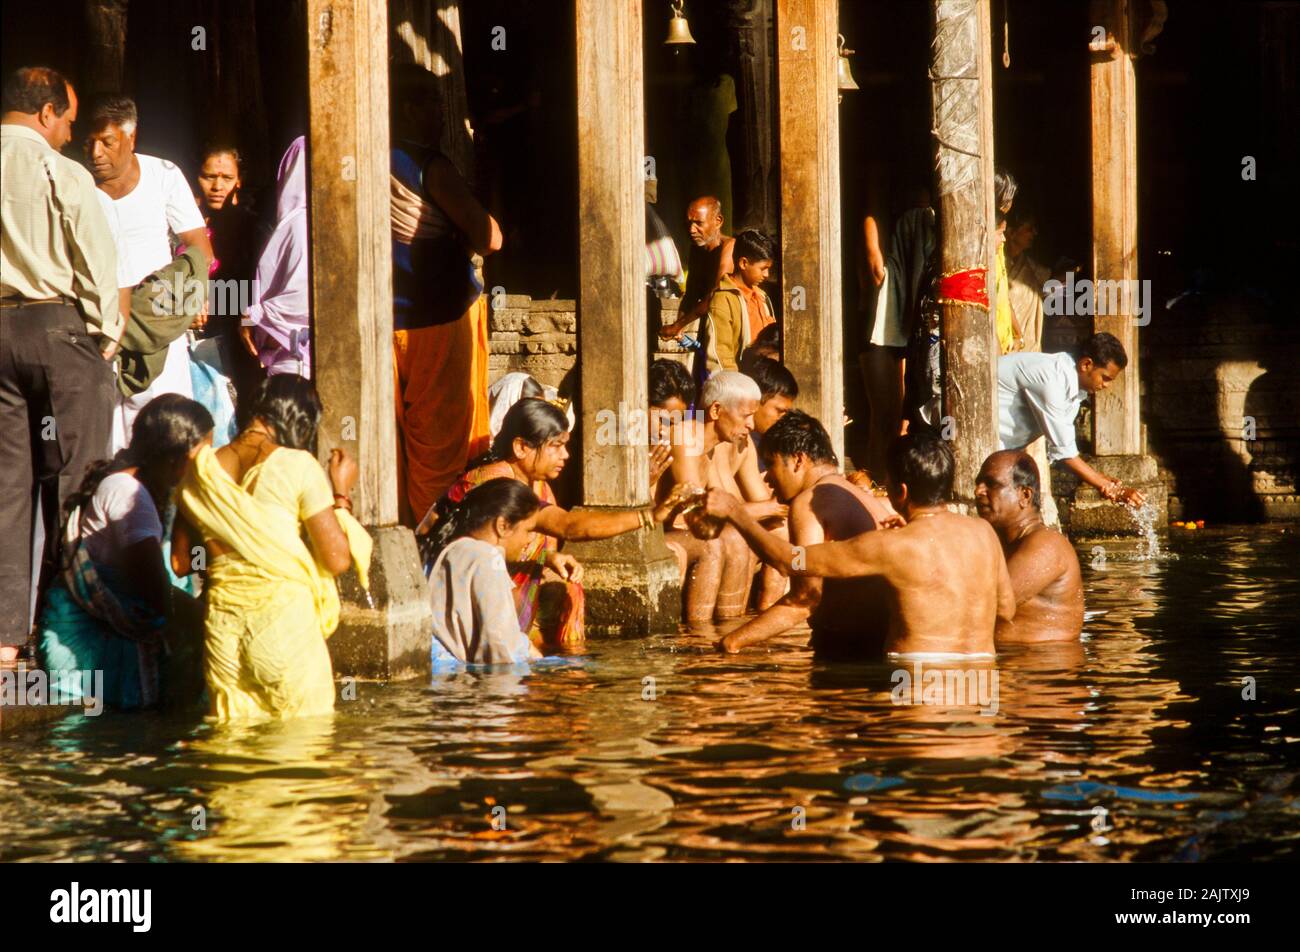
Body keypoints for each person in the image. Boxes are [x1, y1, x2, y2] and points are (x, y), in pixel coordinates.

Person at [1, 67, 123, 664]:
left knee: (7, 488)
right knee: (80, 480)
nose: (71, 134)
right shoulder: (59, 170)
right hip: (56, 327)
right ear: (46, 112)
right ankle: (67, 629)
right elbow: (97, 264)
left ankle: (3, 642)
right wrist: (104, 335)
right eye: (69, 121)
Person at [703, 429, 1015, 658]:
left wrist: (736, 512)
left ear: (900, 492)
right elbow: (1006, 609)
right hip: (982, 682)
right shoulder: (984, 533)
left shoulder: (889, 546)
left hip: (915, 689)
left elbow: (790, 561)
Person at [173, 375, 372, 722]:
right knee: (307, 740)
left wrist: (231, 552)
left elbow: (180, 561)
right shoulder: (298, 465)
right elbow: (337, 559)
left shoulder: (199, 473)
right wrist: (341, 496)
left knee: (232, 749)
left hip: (223, 631)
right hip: (283, 625)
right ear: (300, 420)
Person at [419, 399, 685, 647]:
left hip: (483, 586)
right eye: (556, 446)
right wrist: (647, 516)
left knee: (568, 591)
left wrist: (548, 557)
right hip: (450, 597)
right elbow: (567, 526)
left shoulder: (535, 482)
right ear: (521, 447)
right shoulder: (495, 482)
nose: (566, 455)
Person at [39, 395, 213, 708]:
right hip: (85, 648)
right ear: (177, 458)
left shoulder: (145, 485)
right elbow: (156, 592)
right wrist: (214, 621)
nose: (209, 466)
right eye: (204, 455)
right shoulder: (129, 495)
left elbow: (181, 566)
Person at [390, 63, 501, 526]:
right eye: (434, 104)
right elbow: (489, 238)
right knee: (441, 444)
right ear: (410, 109)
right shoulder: (429, 166)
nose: (442, 116)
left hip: (386, 318)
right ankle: (438, 538)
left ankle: (398, 531)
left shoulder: (362, 157)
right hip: (437, 319)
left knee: (394, 438)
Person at [85, 95, 213, 451]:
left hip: (158, 321)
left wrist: (183, 296)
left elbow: (200, 248)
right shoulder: (76, 185)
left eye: (107, 142)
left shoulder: (163, 175)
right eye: (89, 142)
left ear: (131, 138)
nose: (96, 152)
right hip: (100, 325)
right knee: (109, 439)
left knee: (167, 434)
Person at [716, 411, 902, 657]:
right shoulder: (852, 492)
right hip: (878, 643)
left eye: (771, 463)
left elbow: (805, 598)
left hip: (849, 651)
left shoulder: (810, 501)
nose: (768, 478)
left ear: (798, 460)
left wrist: (731, 643)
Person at [998, 332, 1146, 508]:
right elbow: (1064, 452)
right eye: (1105, 378)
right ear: (1086, 364)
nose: (1106, 386)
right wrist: (1108, 487)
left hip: (1000, 448)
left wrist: (1099, 478)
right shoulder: (1050, 377)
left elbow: (1063, 448)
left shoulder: (1073, 388)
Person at [424, 478, 547, 666]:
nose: (531, 539)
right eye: (528, 530)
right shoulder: (488, 558)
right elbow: (499, 646)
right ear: (503, 526)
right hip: (462, 684)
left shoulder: (449, 548)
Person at [697, 371, 788, 617]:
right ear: (716, 411)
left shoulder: (742, 444)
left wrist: (771, 509)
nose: (751, 424)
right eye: (747, 416)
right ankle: (724, 625)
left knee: (781, 530)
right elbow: (720, 507)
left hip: (723, 524)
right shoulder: (698, 441)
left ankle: (766, 613)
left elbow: (758, 503)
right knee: (737, 538)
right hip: (699, 531)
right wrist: (769, 508)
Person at [974, 450, 1083, 642]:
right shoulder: (996, 541)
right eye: (978, 484)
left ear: (1024, 495)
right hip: (1008, 663)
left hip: (1038, 666)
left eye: (992, 484)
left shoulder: (1047, 545)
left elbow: (991, 604)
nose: (978, 491)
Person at [647, 359, 720, 622]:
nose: (668, 431)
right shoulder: (620, 440)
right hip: (632, 535)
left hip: (662, 529)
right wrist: (644, 481)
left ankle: (701, 637)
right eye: (664, 420)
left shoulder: (671, 444)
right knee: (675, 553)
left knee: (711, 545)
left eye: (676, 422)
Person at [194, 144, 262, 409]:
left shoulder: (251, 227)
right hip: (190, 329)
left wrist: (247, 317)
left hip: (236, 331)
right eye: (210, 177)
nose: (217, 186)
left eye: (227, 178)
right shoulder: (179, 223)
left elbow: (257, 280)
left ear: (239, 182)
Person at [242, 137, 310, 378]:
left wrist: (254, 316)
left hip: (296, 358)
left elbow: (302, 296)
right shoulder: (296, 223)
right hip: (290, 354)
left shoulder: (301, 224)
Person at [658, 196, 735, 343]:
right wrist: (679, 326)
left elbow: (715, 296)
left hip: (731, 328)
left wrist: (677, 325)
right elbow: (691, 294)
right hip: (710, 326)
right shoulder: (697, 250)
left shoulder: (729, 247)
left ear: (718, 221)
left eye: (699, 223)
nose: (692, 230)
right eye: (689, 223)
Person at [700, 229, 776, 374]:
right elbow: (720, 354)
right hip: (741, 383)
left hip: (766, 379)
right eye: (763, 268)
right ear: (743, 263)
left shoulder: (762, 296)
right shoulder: (723, 299)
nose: (767, 275)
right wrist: (736, 388)